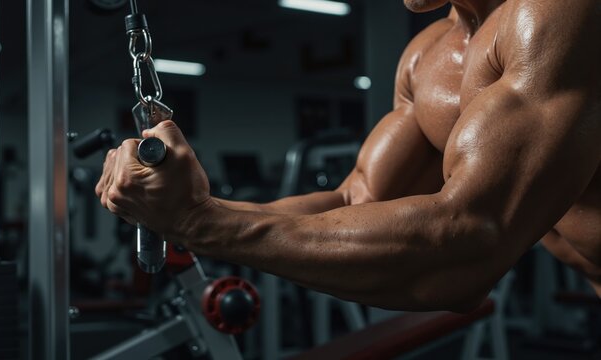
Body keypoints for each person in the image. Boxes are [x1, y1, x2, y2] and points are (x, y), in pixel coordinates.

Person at [96, 0, 601, 312]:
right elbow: (354, 200)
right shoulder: (426, 57)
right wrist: (181, 211)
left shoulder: (558, 13)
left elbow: (468, 247)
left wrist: (199, 224)